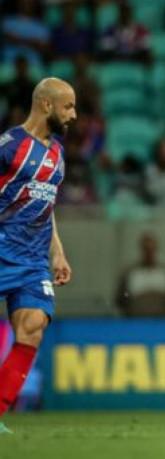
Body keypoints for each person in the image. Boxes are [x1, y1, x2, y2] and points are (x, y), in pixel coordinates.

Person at [0, 78, 76, 434]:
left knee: (32, 329)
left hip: (33, 261)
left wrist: (57, 252)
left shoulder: (58, 152)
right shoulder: (10, 145)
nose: (74, 115)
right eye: (68, 107)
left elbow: (47, 203)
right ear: (47, 105)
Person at [115, 233, 165, 318]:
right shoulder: (130, 273)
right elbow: (120, 298)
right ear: (141, 249)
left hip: (161, 322)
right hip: (135, 321)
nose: (149, 253)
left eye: (151, 249)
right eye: (146, 249)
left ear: (156, 249)